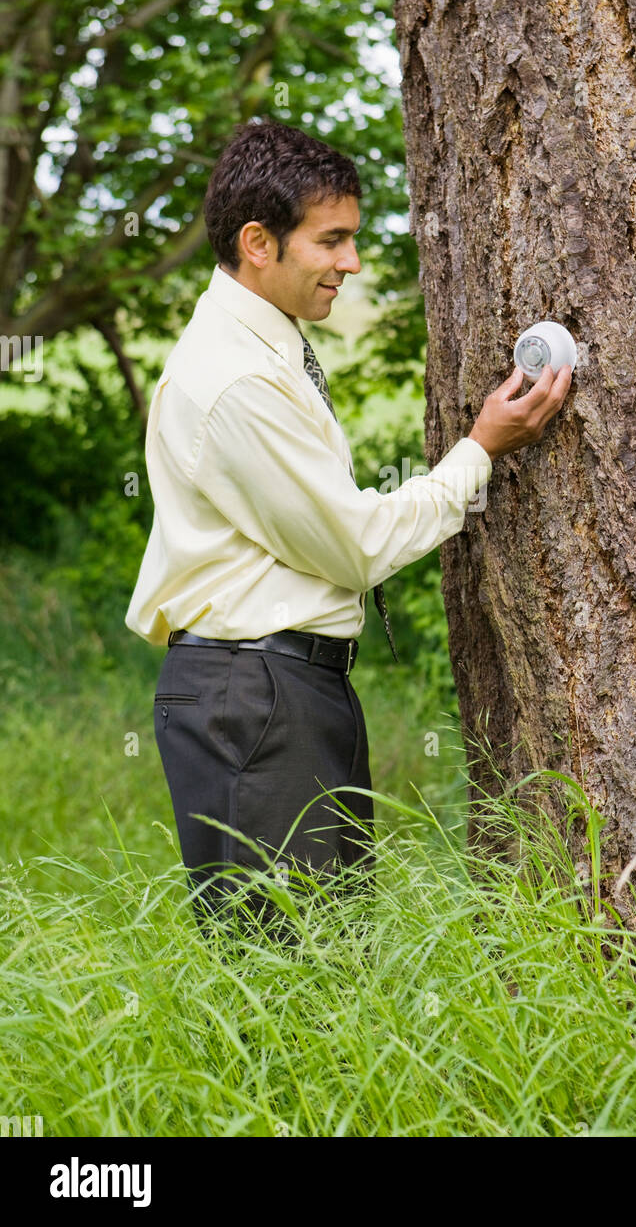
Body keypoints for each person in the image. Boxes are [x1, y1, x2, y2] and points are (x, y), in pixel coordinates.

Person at [125, 116, 572, 939]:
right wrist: (480, 451)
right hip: (255, 695)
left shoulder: (263, 347)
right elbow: (353, 544)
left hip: (279, 689)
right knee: (294, 966)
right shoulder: (235, 380)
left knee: (328, 950)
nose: (352, 264)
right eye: (332, 241)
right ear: (260, 242)